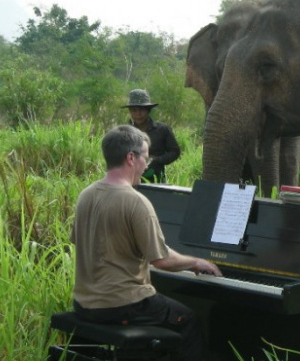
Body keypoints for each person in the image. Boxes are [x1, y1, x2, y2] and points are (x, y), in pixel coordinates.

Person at [71, 125, 220, 361]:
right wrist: (196, 261)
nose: (147, 164)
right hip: (123, 305)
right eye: (145, 156)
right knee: (190, 321)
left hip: (84, 302)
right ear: (131, 158)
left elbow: (83, 242)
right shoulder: (135, 202)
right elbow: (161, 260)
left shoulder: (86, 195)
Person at [123, 88, 181, 183]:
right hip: (130, 180)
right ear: (130, 111)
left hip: (156, 179)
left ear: (148, 110)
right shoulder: (124, 132)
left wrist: (157, 160)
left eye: (141, 110)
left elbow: (175, 151)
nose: (138, 114)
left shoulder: (162, 129)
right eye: (134, 110)